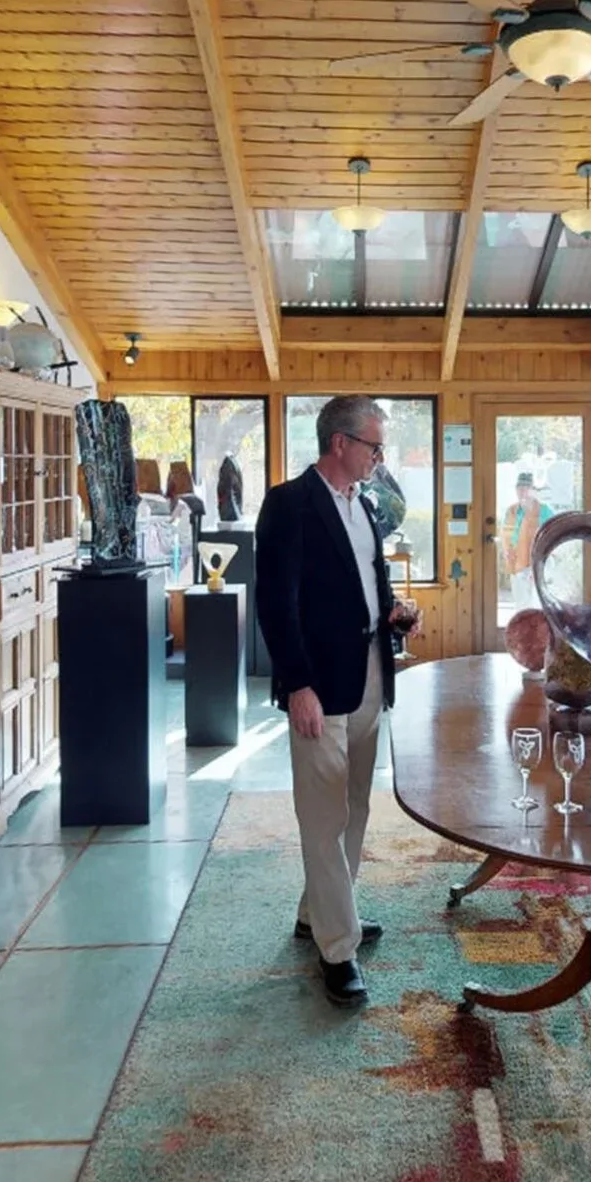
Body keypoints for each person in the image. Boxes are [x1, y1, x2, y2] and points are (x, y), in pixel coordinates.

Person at [256, 395, 422, 1008]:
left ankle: (321, 912)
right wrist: (297, 684)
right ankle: (337, 947)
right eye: (374, 446)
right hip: (319, 686)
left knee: (354, 804)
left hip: (371, 671)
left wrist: (394, 613)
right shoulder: (288, 505)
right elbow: (276, 604)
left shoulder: (364, 505)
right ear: (340, 443)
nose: (380, 458)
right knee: (323, 816)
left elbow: (367, 585)